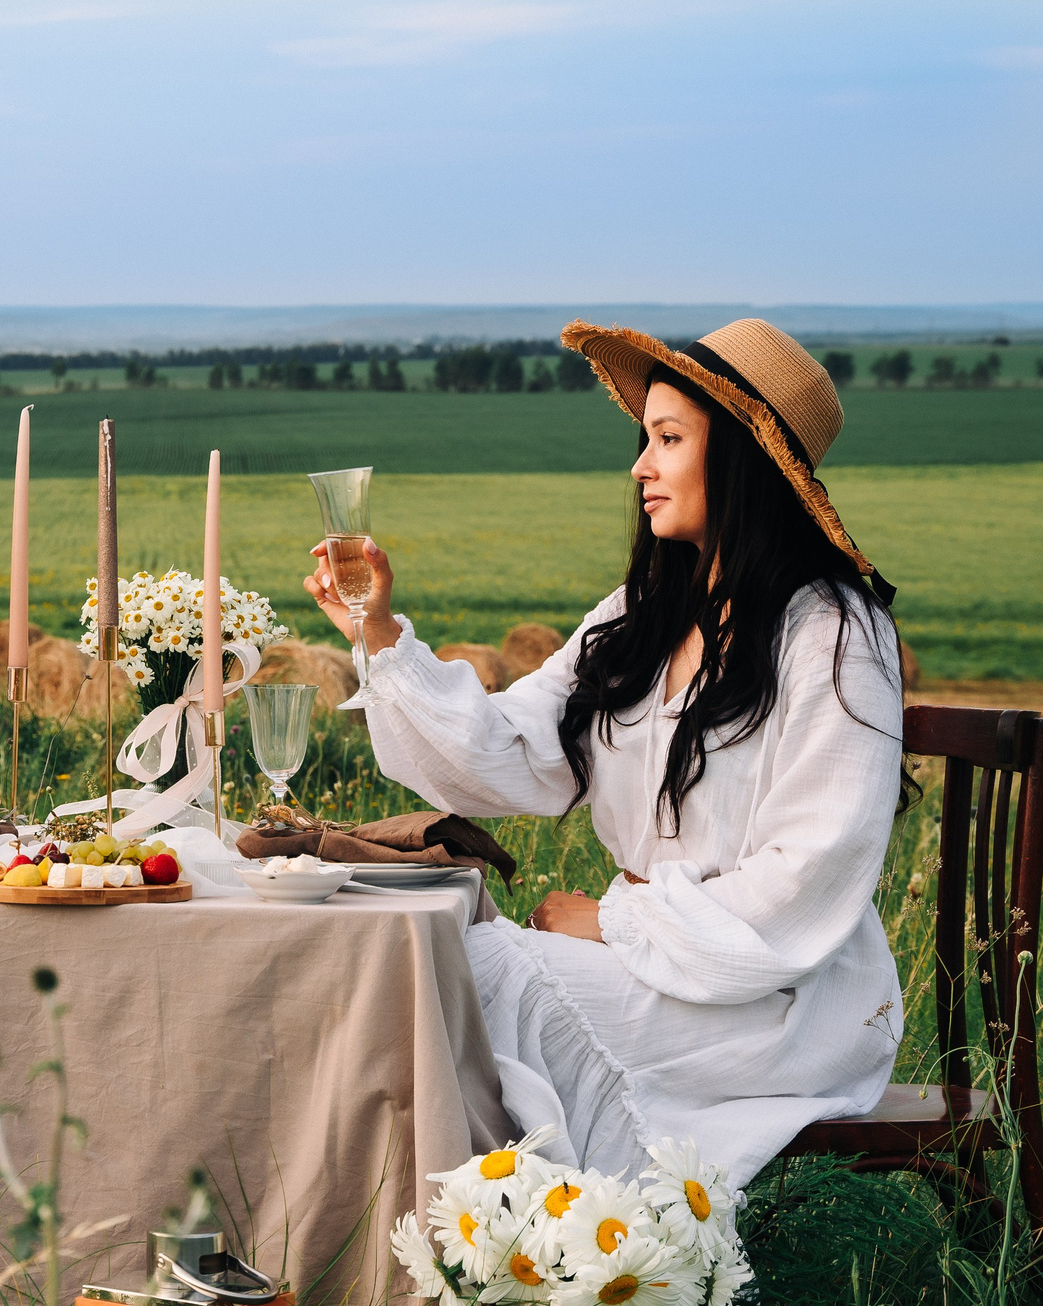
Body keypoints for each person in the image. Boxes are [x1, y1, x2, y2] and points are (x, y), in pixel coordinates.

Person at [305, 318, 908, 1185]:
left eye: (669, 439)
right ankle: (479, 1251)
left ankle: (527, 1255)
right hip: (660, 964)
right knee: (444, 968)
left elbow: (807, 876)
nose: (640, 465)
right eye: (644, 438)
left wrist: (616, 922)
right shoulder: (642, 614)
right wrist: (381, 635)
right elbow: (511, 748)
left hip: (783, 1003)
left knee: (478, 976)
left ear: (741, 457)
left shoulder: (837, 636)